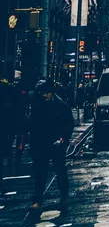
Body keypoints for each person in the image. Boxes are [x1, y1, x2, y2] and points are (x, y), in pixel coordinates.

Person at [29, 80, 74, 212]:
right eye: (43, 93)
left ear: (52, 93)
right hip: (41, 143)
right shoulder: (37, 106)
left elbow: (68, 124)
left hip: (56, 143)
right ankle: (37, 200)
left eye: (47, 93)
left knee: (60, 171)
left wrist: (63, 138)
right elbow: (34, 126)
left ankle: (64, 196)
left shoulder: (61, 106)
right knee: (40, 173)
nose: (45, 96)